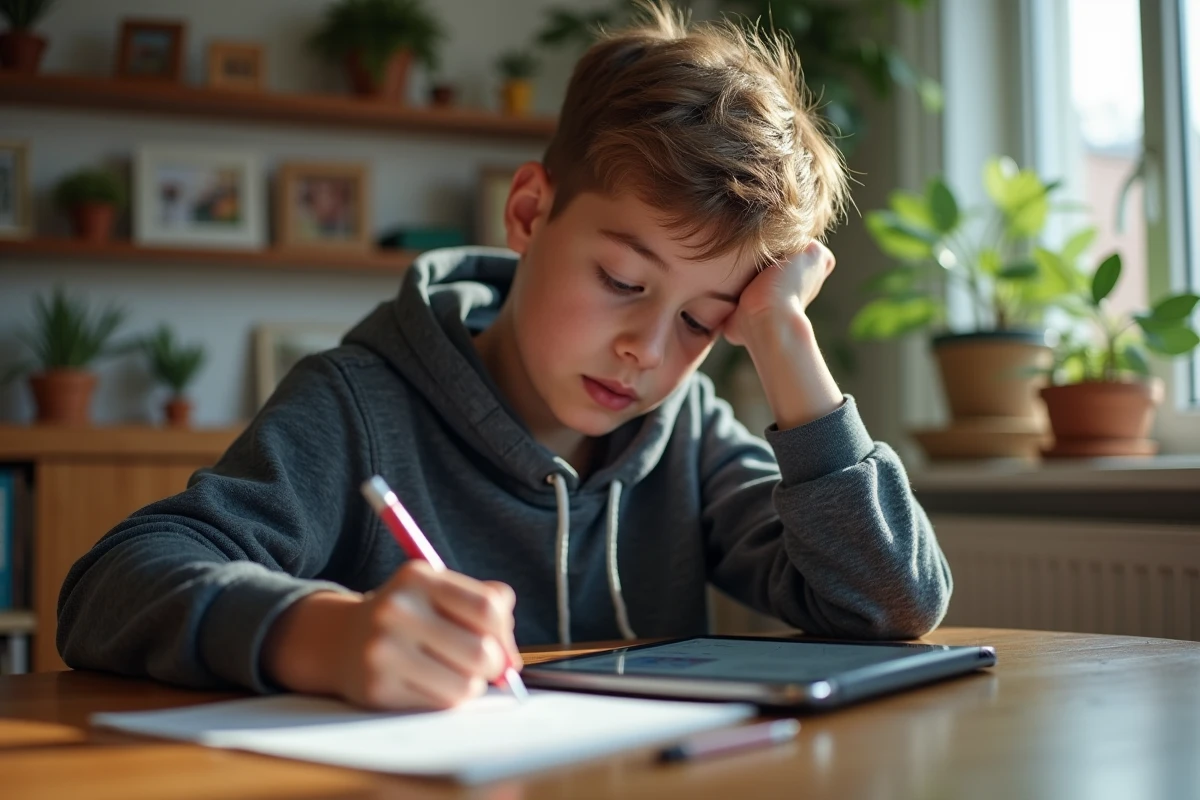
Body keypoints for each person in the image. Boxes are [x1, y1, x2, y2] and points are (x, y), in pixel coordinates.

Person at [57, 3, 952, 711]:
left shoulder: (687, 436)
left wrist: (783, 338)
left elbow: (892, 604)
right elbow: (112, 585)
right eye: (621, 279)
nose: (646, 347)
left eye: (703, 321)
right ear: (528, 213)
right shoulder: (358, 407)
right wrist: (322, 633)